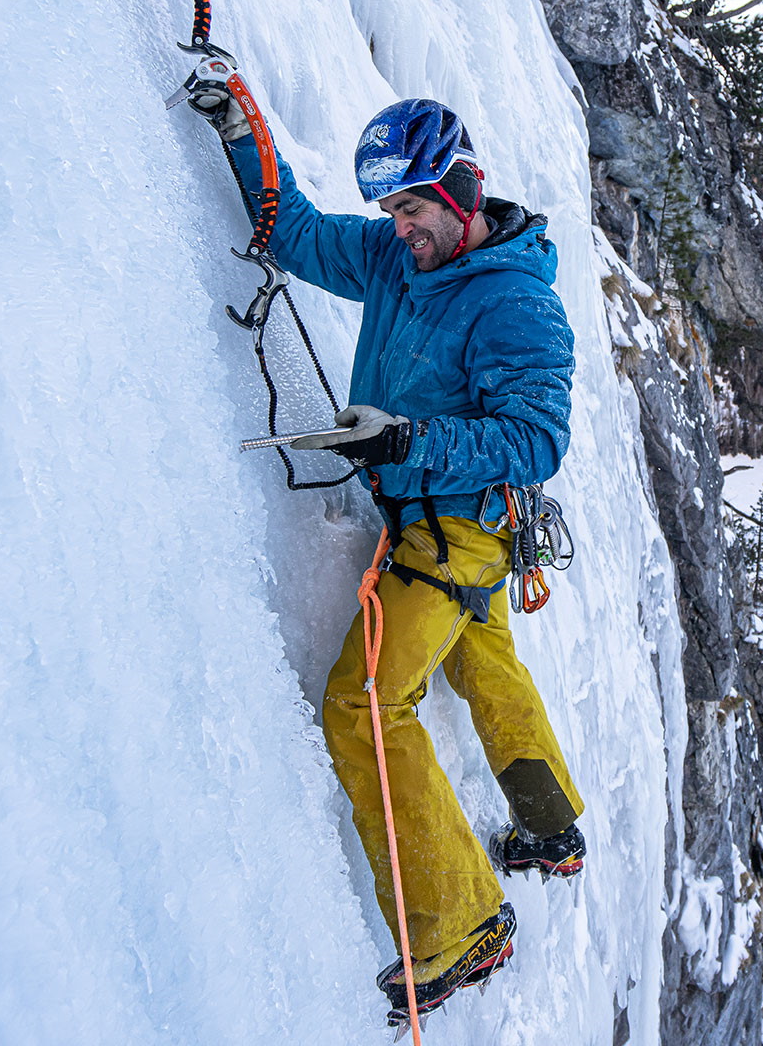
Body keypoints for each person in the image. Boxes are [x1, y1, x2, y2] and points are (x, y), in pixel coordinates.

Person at [189, 87, 586, 1022]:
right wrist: (243, 134)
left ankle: (461, 924)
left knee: (364, 702)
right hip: (436, 515)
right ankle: (548, 822)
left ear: (460, 191)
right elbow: (302, 237)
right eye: (391, 211)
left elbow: (535, 440)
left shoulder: (516, 302)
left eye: (411, 208)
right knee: (483, 661)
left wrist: (407, 441)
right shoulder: (397, 260)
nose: (397, 228)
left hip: (461, 525)